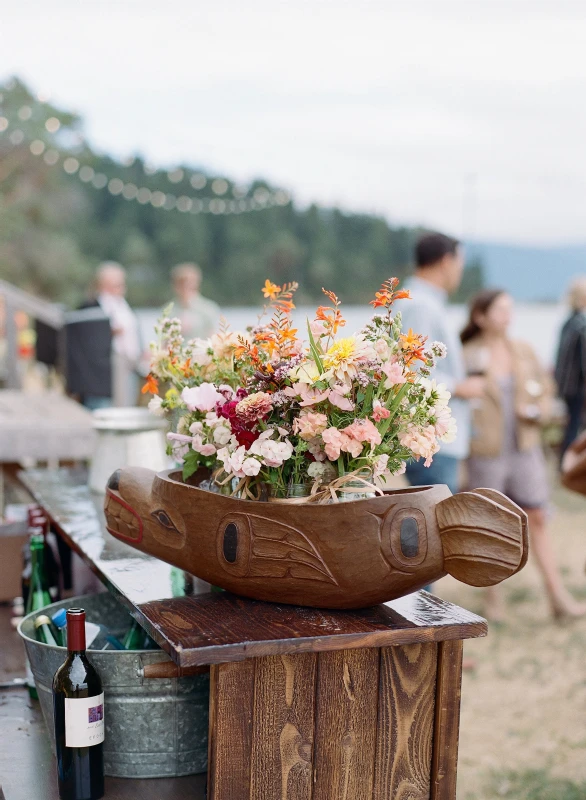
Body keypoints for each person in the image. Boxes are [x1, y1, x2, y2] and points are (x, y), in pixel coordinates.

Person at [461, 289, 586, 619]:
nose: (507, 315)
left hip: (524, 448)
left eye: (510, 308)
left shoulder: (524, 350)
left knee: (539, 518)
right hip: (485, 452)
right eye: (500, 309)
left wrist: (537, 411)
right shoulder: (466, 354)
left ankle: (557, 597)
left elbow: (547, 390)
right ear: (480, 316)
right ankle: (493, 599)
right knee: (490, 525)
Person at [400, 232, 485, 494]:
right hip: (430, 440)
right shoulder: (421, 306)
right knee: (434, 526)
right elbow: (412, 372)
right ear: (446, 261)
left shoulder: (425, 301)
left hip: (436, 438)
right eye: (460, 263)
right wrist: (461, 387)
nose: (460, 271)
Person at [68, 262, 141, 409]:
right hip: (100, 377)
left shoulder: (124, 306)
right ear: (103, 284)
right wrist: (109, 332)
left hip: (128, 366)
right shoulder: (89, 307)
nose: (121, 289)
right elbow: (84, 342)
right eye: (117, 285)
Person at [554, 277, 586, 458]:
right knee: (574, 425)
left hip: (566, 385)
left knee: (571, 424)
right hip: (577, 386)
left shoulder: (568, 322)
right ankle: (570, 462)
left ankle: (565, 460)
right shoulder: (581, 325)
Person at [171, 263, 220, 340]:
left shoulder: (209, 308)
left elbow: (213, 337)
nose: (185, 286)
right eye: (181, 283)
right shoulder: (168, 310)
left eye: (190, 282)